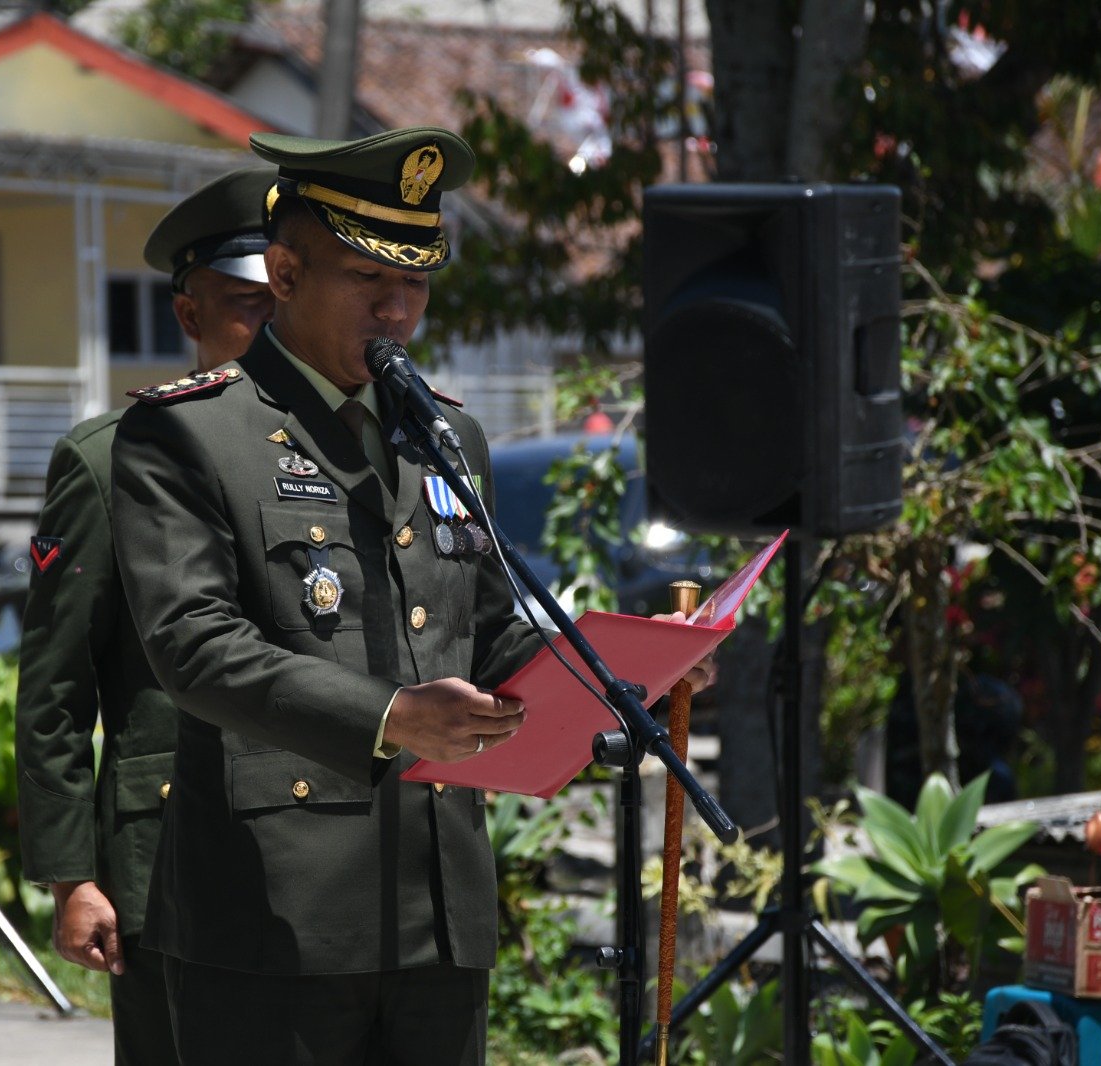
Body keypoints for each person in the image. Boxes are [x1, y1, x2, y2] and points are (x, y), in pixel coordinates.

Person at [111, 127, 714, 1064]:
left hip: (439, 907)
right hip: (276, 913)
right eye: (368, 279)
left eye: (417, 282)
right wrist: (391, 716)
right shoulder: (191, 435)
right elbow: (193, 645)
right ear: (284, 274)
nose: (397, 309)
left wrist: (635, 664)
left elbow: (487, 633)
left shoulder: (445, 439)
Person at [13, 164, 275, 1065]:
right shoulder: (110, 459)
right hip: (165, 846)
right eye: (247, 304)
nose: (270, 327)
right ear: (189, 313)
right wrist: (71, 877)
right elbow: (55, 686)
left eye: (284, 302)